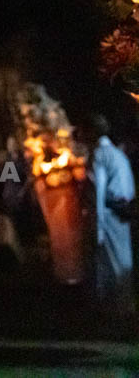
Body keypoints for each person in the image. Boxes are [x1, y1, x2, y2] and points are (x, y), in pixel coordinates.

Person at [82, 115, 136, 315]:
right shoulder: (117, 154)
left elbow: (98, 193)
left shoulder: (99, 155)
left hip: (109, 217)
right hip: (122, 215)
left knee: (110, 265)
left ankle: (111, 311)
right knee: (123, 261)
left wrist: (97, 230)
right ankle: (124, 307)